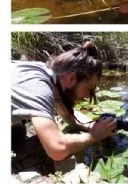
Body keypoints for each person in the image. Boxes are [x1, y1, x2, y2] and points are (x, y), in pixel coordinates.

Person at [11, 41, 116, 174]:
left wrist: (93, 125)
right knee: (17, 135)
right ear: (71, 78)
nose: (87, 95)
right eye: (88, 88)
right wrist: (94, 136)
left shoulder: (47, 74)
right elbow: (57, 149)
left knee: (18, 133)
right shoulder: (39, 88)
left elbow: (66, 114)